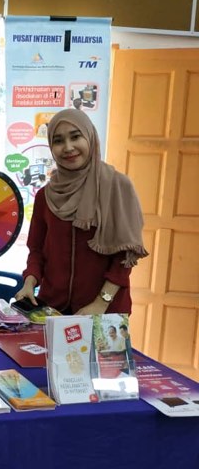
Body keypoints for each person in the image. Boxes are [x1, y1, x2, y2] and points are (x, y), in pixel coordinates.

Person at [15, 108, 148, 315]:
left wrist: (101, 303)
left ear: (90, 137)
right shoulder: (46, 196)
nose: (68, 147)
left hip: (105, 312)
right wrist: (29, 282)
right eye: (58, 141)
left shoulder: (117, 186)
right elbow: (37, 250)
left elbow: (125, 255)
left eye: (75, 137)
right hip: (53, 309)